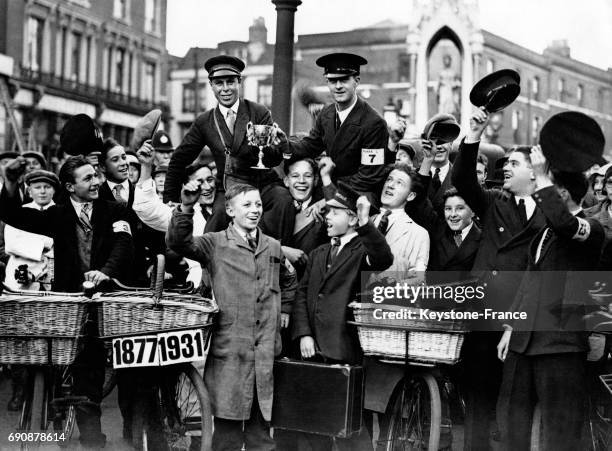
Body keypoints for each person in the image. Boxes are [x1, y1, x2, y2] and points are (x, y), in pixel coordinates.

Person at [0, 152, 134, 448]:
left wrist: (105, 272)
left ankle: (91, 436)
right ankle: (57, 413)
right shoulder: (56, 214)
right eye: (88, 178)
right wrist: (9, 184)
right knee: (64, 359)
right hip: (68, 301)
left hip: (102, 299)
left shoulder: (115, 210)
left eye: (96, 175)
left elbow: (124, 245)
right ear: (70, 187)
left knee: (92, 366)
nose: (97, 181)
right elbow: (14, 216)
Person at [167, 182, 297, 450]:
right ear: (230, 210)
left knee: (261, 438)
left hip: (263, 360)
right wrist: (186, 207)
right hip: (230, 356)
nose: (254, 210)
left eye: (258, 204)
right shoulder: (215, 243)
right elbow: (179, 242)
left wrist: (285, 308)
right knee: (226, 437)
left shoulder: (272, 246)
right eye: (247, 205)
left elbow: (289, 279)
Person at [451, 108, 546, 451]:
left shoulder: (550, 213)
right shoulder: (493, 202)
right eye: (504, 164)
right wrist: (473, 135)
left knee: (516, 399)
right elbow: (462, 180)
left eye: (514, 164)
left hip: (524, 314)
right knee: (479, 395)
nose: (505, 168)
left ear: (535, 173)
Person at [496, 148, 604, 451]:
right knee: (511, 425)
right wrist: (509, 328)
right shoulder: (542, 234)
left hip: (560, 345)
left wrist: (541, 175)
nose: (540, 191)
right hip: (523, 342)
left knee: (560, 433)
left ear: (564, 193)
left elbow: (566, 225)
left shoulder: (592, 230)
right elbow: (529, 282)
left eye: (548, 187)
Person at [291, 182, 393, 451]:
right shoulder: (318, 253)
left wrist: (364, 224)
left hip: (346, 352)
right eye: (327, 212)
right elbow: (302, 295)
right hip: (314, 352)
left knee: (350, 428)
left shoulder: (362, 251)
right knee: (316, 426)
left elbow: (383, 258)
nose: (327, 217)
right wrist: (304, 334)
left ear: (351, 217)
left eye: (334, 212)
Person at [163, 55, 294, 243]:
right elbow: (179, 159)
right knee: (216, 222)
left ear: (239, 82)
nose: (225, 89)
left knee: (283, 200)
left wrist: (261, 146)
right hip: (230, 187)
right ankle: (206, 270)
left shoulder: (259, 111)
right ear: (211, 86)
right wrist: (171, 199)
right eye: (219, 83)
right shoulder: (204, 122)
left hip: (264, 184)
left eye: (230, 82)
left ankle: (280, 258)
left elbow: (273, 160)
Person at [288, 53, 393, 204]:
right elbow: (310, 146)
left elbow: (368, 177)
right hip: (330, 188)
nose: (338, 86)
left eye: (344, 80)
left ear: (356, 81)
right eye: (332, 81)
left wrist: (330, 197)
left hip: (359, 197)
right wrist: (281, 144)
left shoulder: (374, 123)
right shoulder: (326, 114)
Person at [97, 137, 165, 285]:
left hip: (142, 278)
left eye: (123, 157)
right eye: (115, 160)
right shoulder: (96, 198)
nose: (123, 163)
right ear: (102, 167)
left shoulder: (142, 194)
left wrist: (156, 263)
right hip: (107, 279)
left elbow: (157, 232)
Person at [3, 169, 58, 291]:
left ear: (54, 190)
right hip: (21, 279)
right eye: (37, 187)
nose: (42, 191)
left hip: (53, 278)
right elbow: (11, 245)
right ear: (29, 191)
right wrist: (47, 243)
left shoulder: (62, 212)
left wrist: (29, 241)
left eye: (47, 187)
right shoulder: (18, 212)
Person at [280, 156, 328, 278]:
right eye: (295, 176)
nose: (301, 181)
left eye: (307, 176)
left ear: (316, 180)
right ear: (286, 181)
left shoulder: (323, 211)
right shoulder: (275, 207)